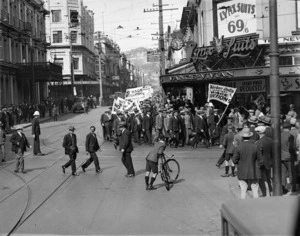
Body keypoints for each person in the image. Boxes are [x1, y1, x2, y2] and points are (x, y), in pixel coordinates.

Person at [232, 127, 264, 199]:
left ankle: (244, 205)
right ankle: (256, 205)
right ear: (250, 136)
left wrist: (239, 163)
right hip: (254, 170)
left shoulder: (238, 147)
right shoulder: (255, 146)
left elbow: (234, 160)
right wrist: (258, 166)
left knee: (243, 190)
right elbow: (260, 159)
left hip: (242, 170)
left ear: (242, 137)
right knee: (255, 189)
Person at [255, 125, 273, 197]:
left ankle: (266, 194)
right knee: (269, 179)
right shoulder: (271, 140)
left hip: (262, 164)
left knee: (263, 180)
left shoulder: (259, 142)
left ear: (259, 133)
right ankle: (271, 193)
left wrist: (259, 164)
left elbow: (259, 154)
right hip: (269, 162)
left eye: (257, 132)